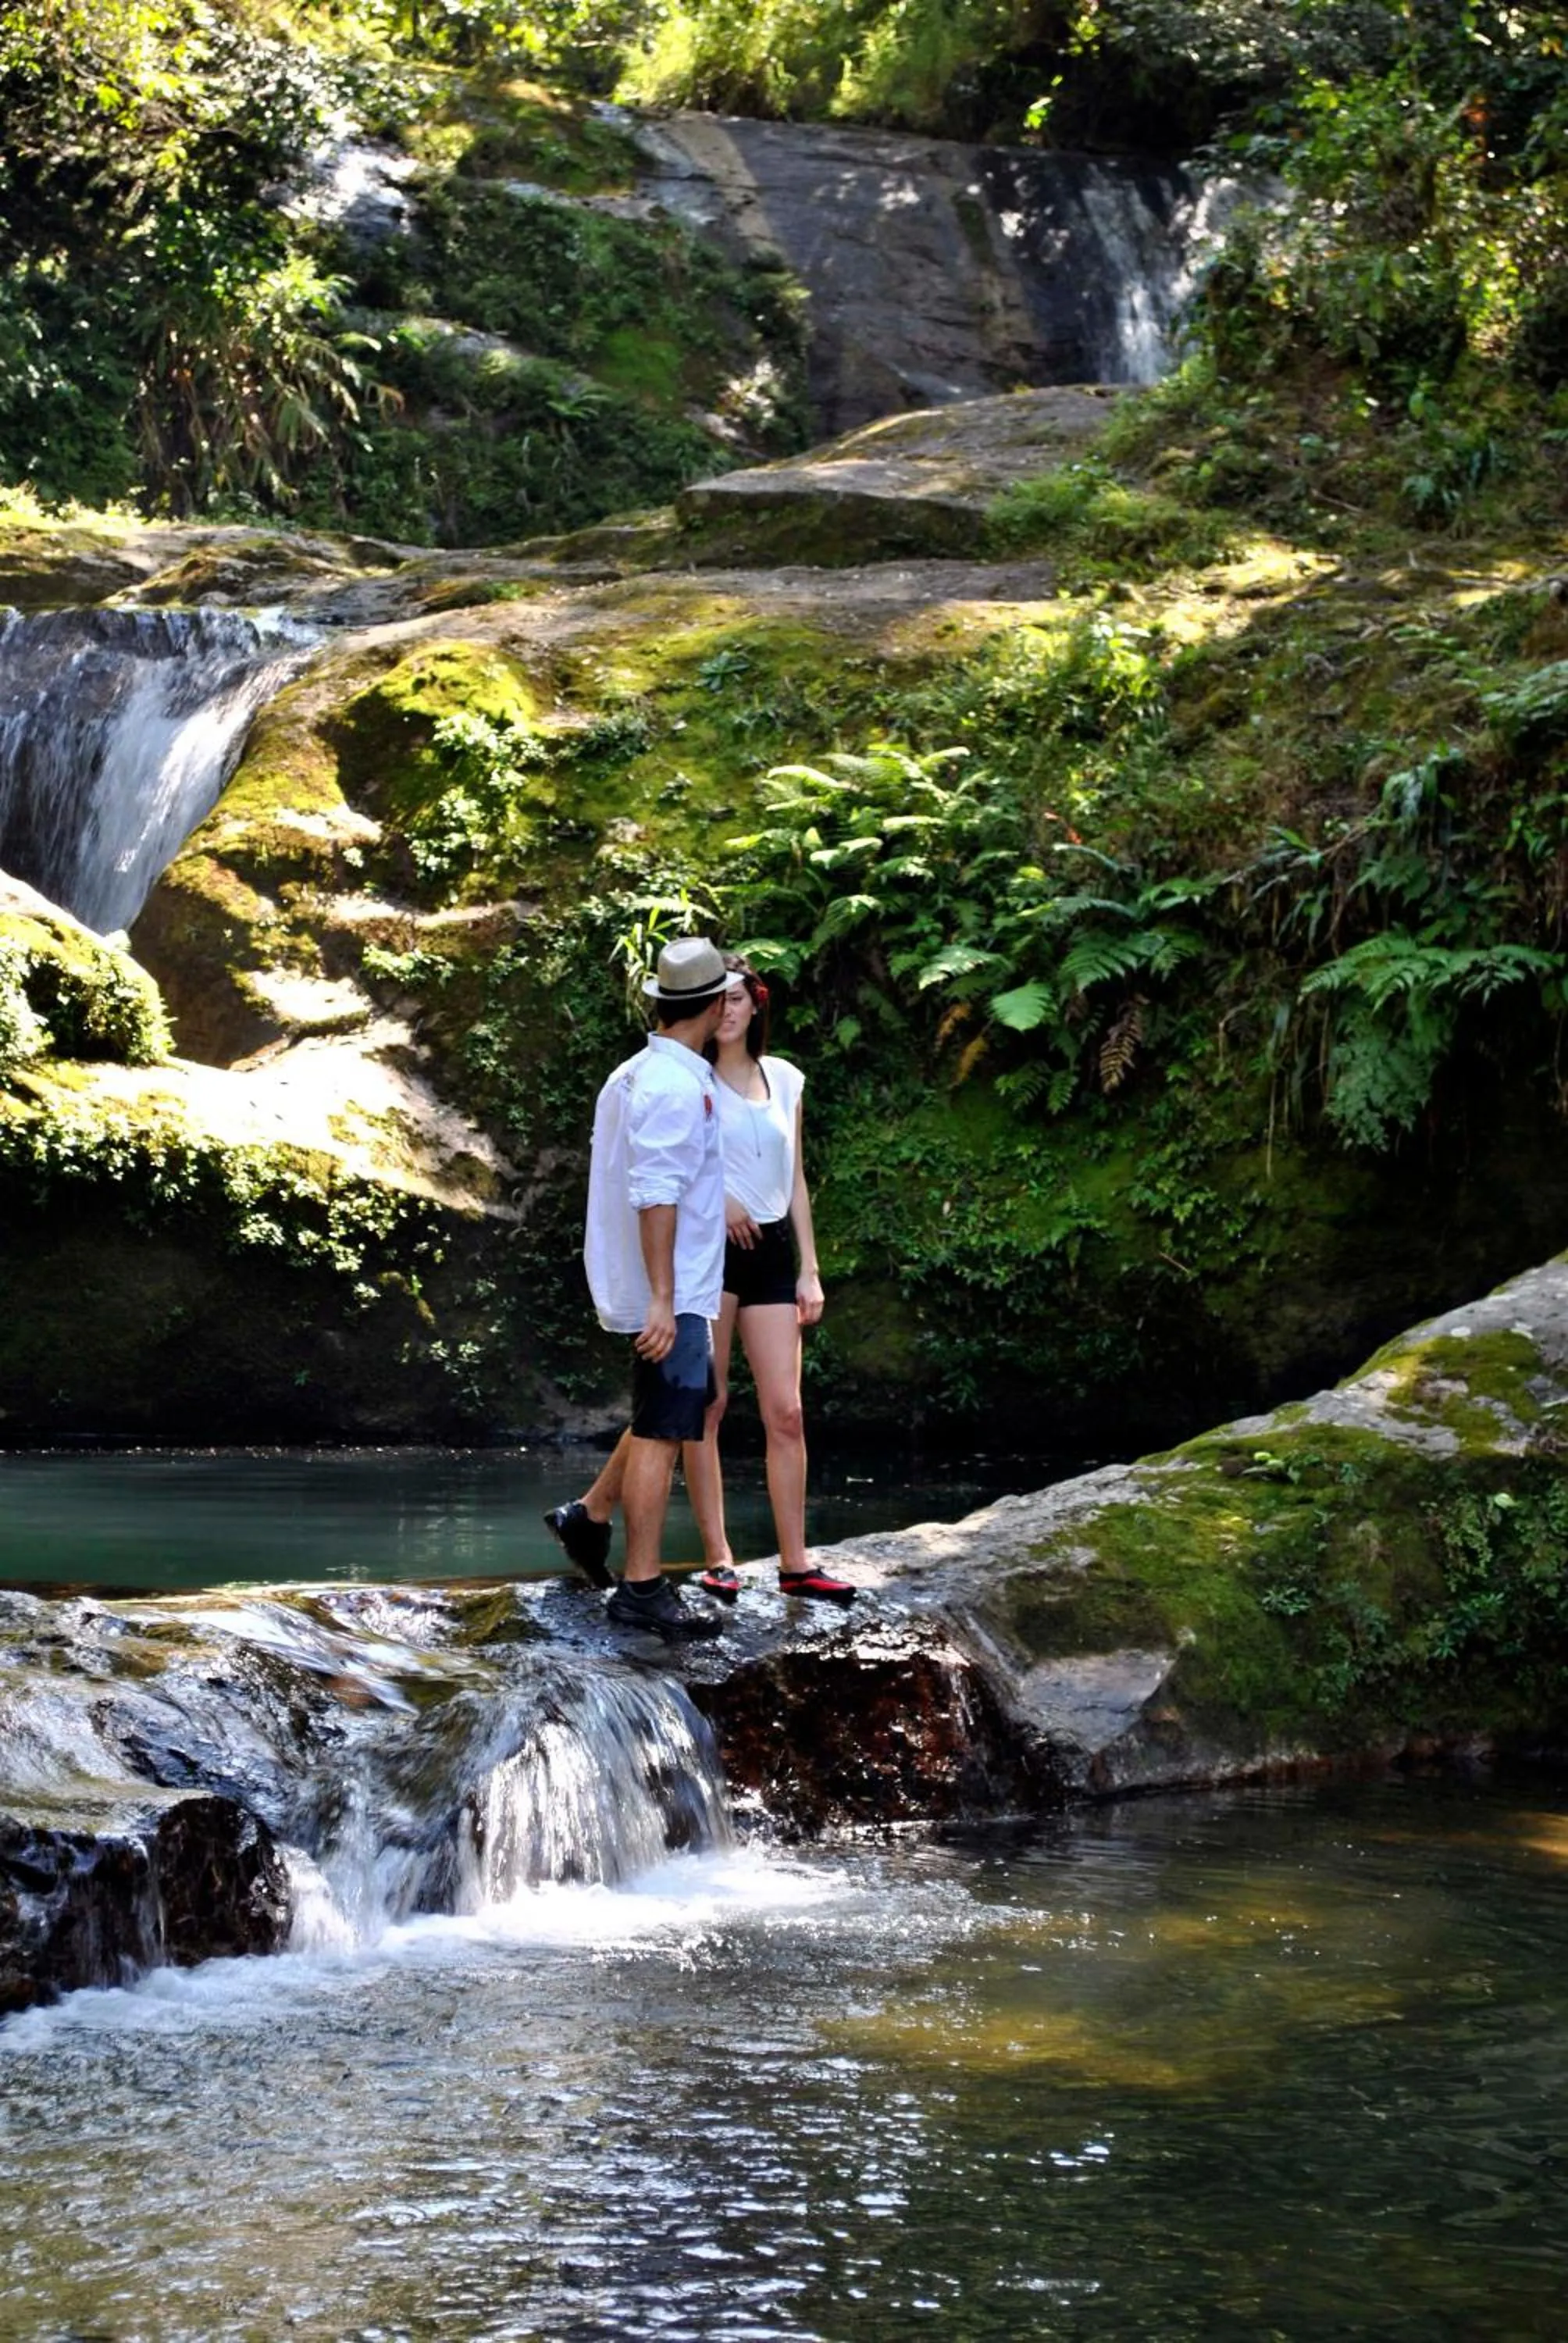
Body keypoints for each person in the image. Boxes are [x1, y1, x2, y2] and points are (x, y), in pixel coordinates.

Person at [543, 934, 729, 1644]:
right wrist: (662, 1297)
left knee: (675, 1407)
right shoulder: (673, 1085)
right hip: (673, 1286)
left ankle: (589, 1517)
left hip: (677, 1282)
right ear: (713, 1007)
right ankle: (643, 1587)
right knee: (662, 1430)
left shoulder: (638, 1074)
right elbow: (656, 1193)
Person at [684, 955, 854, 1607]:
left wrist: (810, 1268)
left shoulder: (783, 1078)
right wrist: (720, 1198)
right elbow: (674, 1165)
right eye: (714, 1001)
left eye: (735, 1000)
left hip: (774, 1250)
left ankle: (795, 1561)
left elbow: (796, 1179)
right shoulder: (691, 1082)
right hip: (714, 1250)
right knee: (711, 1403)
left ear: (756, 1005)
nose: (725, 1011)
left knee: (786, 1411)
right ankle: (719, 1557)